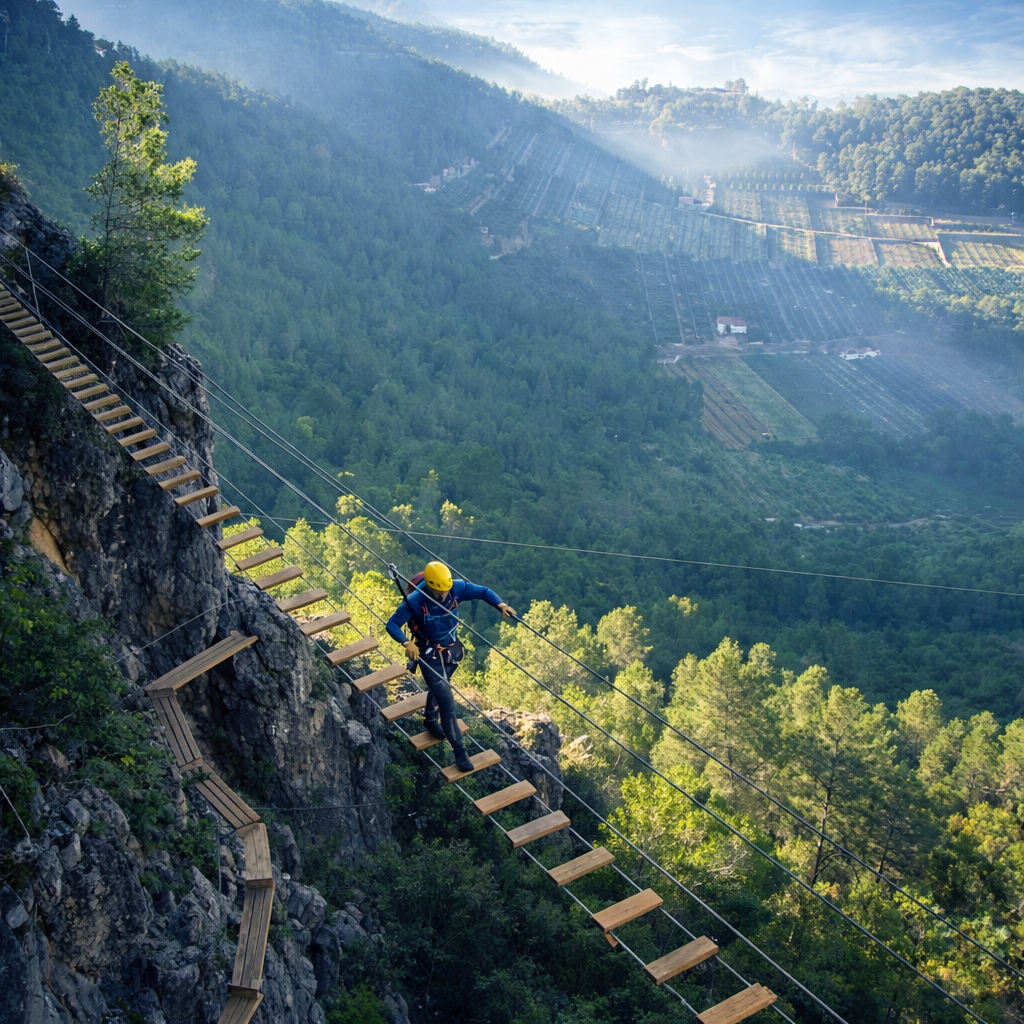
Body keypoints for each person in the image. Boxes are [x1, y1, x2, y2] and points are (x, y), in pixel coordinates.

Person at [386, 561, 515, 772]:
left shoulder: (455, 588)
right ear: (431, 586)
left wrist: (499, 604)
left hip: (452, 650)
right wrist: (406, 642)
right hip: (429, 654)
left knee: (442, 688)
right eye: (440, 591)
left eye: (446, 590)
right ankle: (460, 753)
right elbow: (391, 624)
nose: (445, 594)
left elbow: (482, 591)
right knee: (447, 703)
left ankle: (429, 719)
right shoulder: (416, 600)